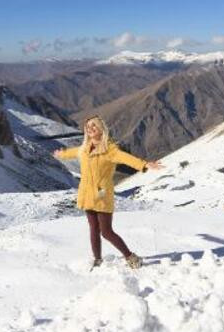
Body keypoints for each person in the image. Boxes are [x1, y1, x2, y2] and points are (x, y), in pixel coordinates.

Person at [53, 115, 163, 270]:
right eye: (87, 126)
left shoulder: (110, 150)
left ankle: (131, 257)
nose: (90, 128)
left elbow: (127, 158)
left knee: (106, 231)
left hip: (102, 195)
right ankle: (97, 259)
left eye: (94, 126)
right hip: (86, 194)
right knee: (93, 229)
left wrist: (144, 164)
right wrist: (61, 154)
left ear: (101, 129)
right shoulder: (84, 148)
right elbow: (73, 152)